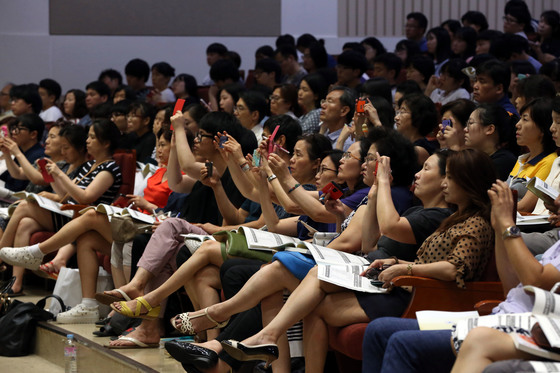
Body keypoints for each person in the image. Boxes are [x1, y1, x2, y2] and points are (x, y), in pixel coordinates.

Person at [169, 148, 495, 373]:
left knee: (284, 270)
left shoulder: (469, 221)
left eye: (447, 175)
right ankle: (237, 338)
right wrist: (366, 217)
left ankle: (222, 326)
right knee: (295, 282)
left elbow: (454, 269)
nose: (425, 176)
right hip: (386, 275)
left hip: (417, 294)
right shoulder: (440, 215)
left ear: (466, 182)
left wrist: (404, 263)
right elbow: (370, 242)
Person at [362, 179, 560, 373]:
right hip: (501, 314)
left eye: (451, 176)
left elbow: (536, 281)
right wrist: (500, 230)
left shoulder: (472, 223)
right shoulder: (454, 219)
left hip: (524, 326)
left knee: (400, 343)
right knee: (377, 330)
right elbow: (511, 289)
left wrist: (508, 226)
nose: (556, 201)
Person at [0, 120, 121, 295]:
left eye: (93, 137)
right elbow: (66, 195)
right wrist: (56, 178)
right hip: (69, 211)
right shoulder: (89, 165)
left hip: (82, 218)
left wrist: (58, 174)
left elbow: (86, 197)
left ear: (106, 143)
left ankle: (2, 254)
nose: (88, 140)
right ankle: (16, 283)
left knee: (25, 206)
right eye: (88, 136)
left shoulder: (110, 168)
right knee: (25, 222)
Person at [507, 98, 556, 213]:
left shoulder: (549, 161)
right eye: (520, 119)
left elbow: (524, 207)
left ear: (542, 128)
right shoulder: (523, 159)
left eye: (525, 120)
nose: (518, 125)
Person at [463, 103, 518, 181]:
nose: (465, 129)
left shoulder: (503, 162)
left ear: (490, 129)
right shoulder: (479, 158)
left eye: (471, 123)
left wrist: (454, 146)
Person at [0, 113, 45, 192]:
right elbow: (13, 174)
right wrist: (6, 153)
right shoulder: (22, 150)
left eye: (18, 129)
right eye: (13, 128)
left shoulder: (39, 155)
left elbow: (17, 186)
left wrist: (17, 153)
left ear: (33, 134)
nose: (13, 132)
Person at [395, 93, 439, 165]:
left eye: (402, 112)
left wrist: (377, 124)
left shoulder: (420, 150)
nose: (396, 118)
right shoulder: (404, 143)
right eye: (398, 112)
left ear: (419, 117)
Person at [318, 86, 355, 151]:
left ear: (344, 111)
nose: (322, 105)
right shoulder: (325, 133)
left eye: (330, 101)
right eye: (324, 101)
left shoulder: (347, 143)